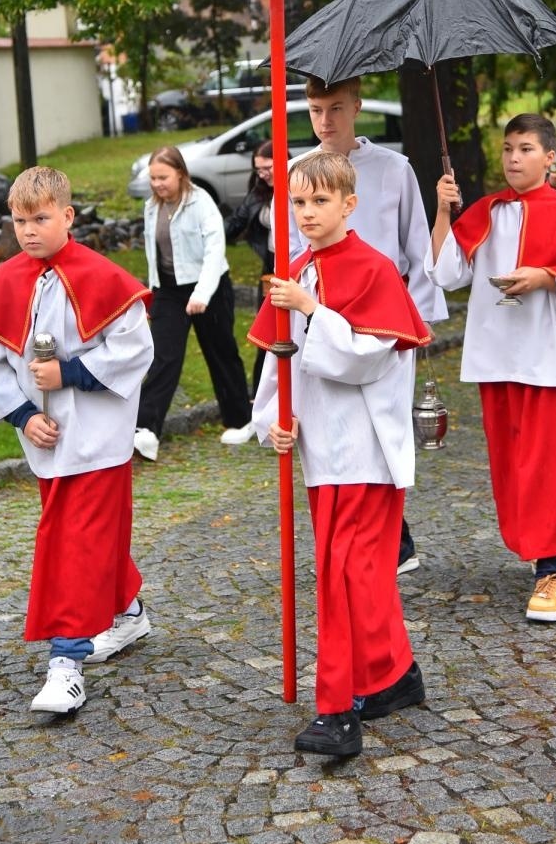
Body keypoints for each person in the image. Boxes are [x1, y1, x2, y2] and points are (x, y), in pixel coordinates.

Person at [251, 152, 431, 757]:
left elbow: (365, 358)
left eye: (320, 202)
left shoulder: (374, 270)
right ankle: (395, 676)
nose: (306, 213)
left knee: (343, 577)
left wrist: (310, 309)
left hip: (364, 449)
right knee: (363, 575)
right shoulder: (296, 270)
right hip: (320, 448)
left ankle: (338, 710)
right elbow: (279, 364)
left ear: (348, 205)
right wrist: (274, 423)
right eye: (298, 202)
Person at [0, 167, 155, 714]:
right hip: (45, 444)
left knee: (70, 542)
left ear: (67, 216)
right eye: (19, 220)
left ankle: (66, 662)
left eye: (40, 218)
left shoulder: (104, 278)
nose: (28, 230)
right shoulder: (5, 281)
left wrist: (70, 375)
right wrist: (23, 415)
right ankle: (130, 611)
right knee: (89, 538)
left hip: (97, 437)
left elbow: (136, 351)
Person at [426, 115, 556, 622]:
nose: (514, 158)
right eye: (508, 148)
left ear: (548, 157)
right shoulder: (487, 211)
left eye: (527, 149)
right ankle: (539, 552)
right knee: (515, 464)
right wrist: (444, 213)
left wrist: (546, 278)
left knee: (552, 465)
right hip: (499, 356)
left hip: (551, 361)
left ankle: (554, 572)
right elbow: (447, 274)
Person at [285, 75, 449, 575]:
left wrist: (419, 318)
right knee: (337, 425)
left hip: (382, 312)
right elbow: (290, 249)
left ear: (356, 106)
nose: (325, 120)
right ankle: (371, 542)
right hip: (316, 310)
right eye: (315, 110)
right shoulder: (297, 171)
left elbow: (415, 243)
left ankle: (391, 535)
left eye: (335, 108)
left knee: (381, 424)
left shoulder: (393, 168)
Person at [133, 145, 254, 461]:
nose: (158, 184)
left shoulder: (202, 203)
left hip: (209, 287)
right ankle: (146, 429)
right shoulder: (151, 207)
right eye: (154, 178)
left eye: (164, 177)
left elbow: (215, 251)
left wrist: (202, 294)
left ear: (181, 174)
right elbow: (154, 255)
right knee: (163, 355)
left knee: (222, 352)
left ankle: (240, 419)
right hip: (169, 291)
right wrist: (153, 292)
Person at [225, 140, 275, 395]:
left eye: (267, 167)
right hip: (270, 267)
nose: (262, 174)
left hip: (296, 265)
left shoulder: (298, 188)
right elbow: (236, 222)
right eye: (258, 169)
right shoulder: (258, 192)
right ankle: (260, 395)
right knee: (266, 333)